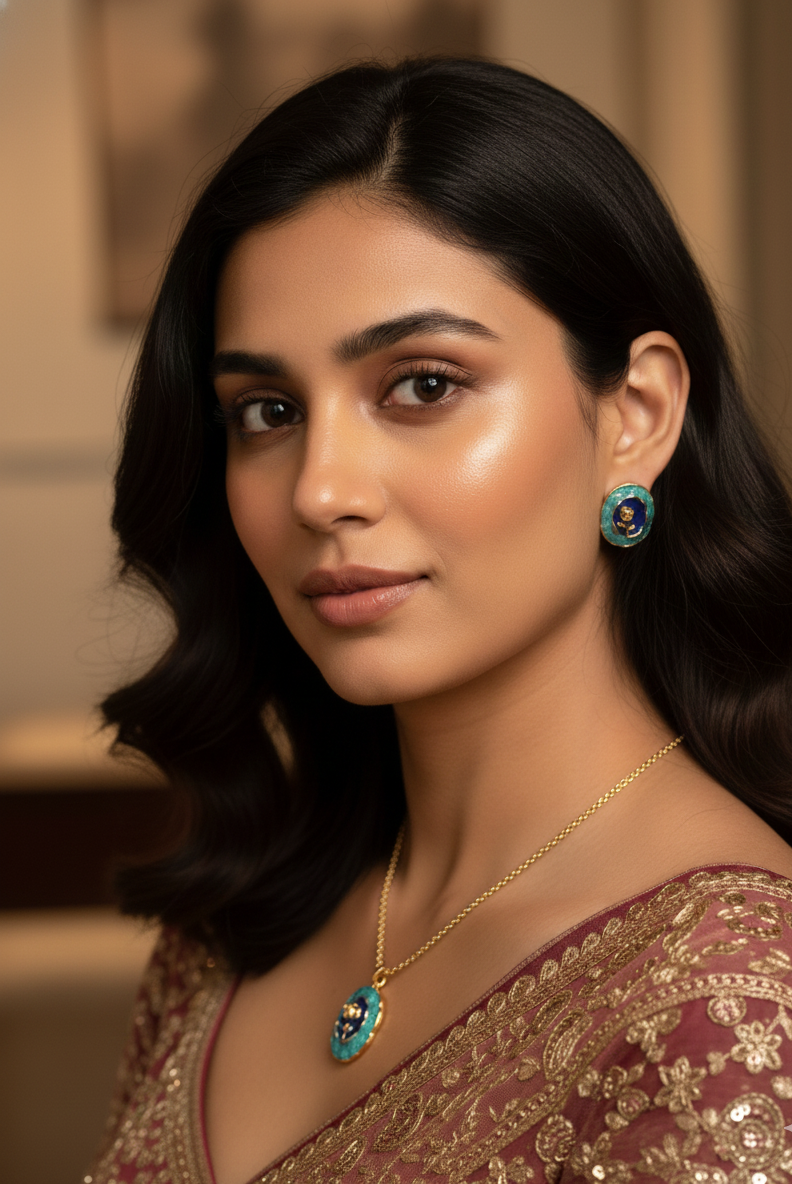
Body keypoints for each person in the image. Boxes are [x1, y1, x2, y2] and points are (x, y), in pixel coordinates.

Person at [89, 57, 792, 1184]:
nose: (321, 488)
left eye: (421, 384)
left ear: (637, 416)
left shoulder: (729, 1013)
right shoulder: (228, 932)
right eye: (265, 411)